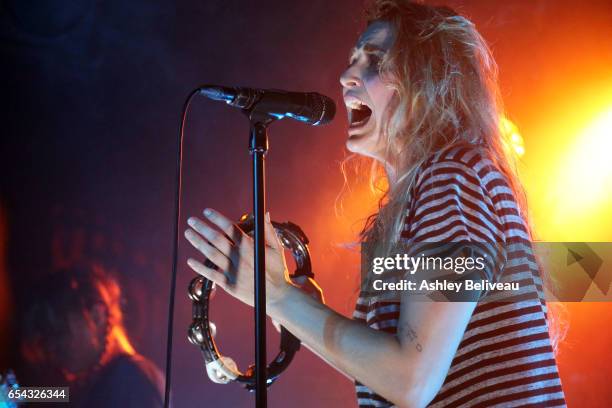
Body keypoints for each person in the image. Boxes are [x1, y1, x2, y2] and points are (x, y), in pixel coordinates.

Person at [184, 1, 566, 407]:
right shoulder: (430, 190)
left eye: (376, 62)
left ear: (427, 80)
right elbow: (398, 374)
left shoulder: (450, 178)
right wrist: (298, 310)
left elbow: (410, 380)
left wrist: (279, 296)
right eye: (352, 61)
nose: (347, 76)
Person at [20, 264, 164, 407]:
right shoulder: (111, 379)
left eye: (59, 331)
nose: (51, 347)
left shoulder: (129, 378)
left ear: (97, 316)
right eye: (45, 338)